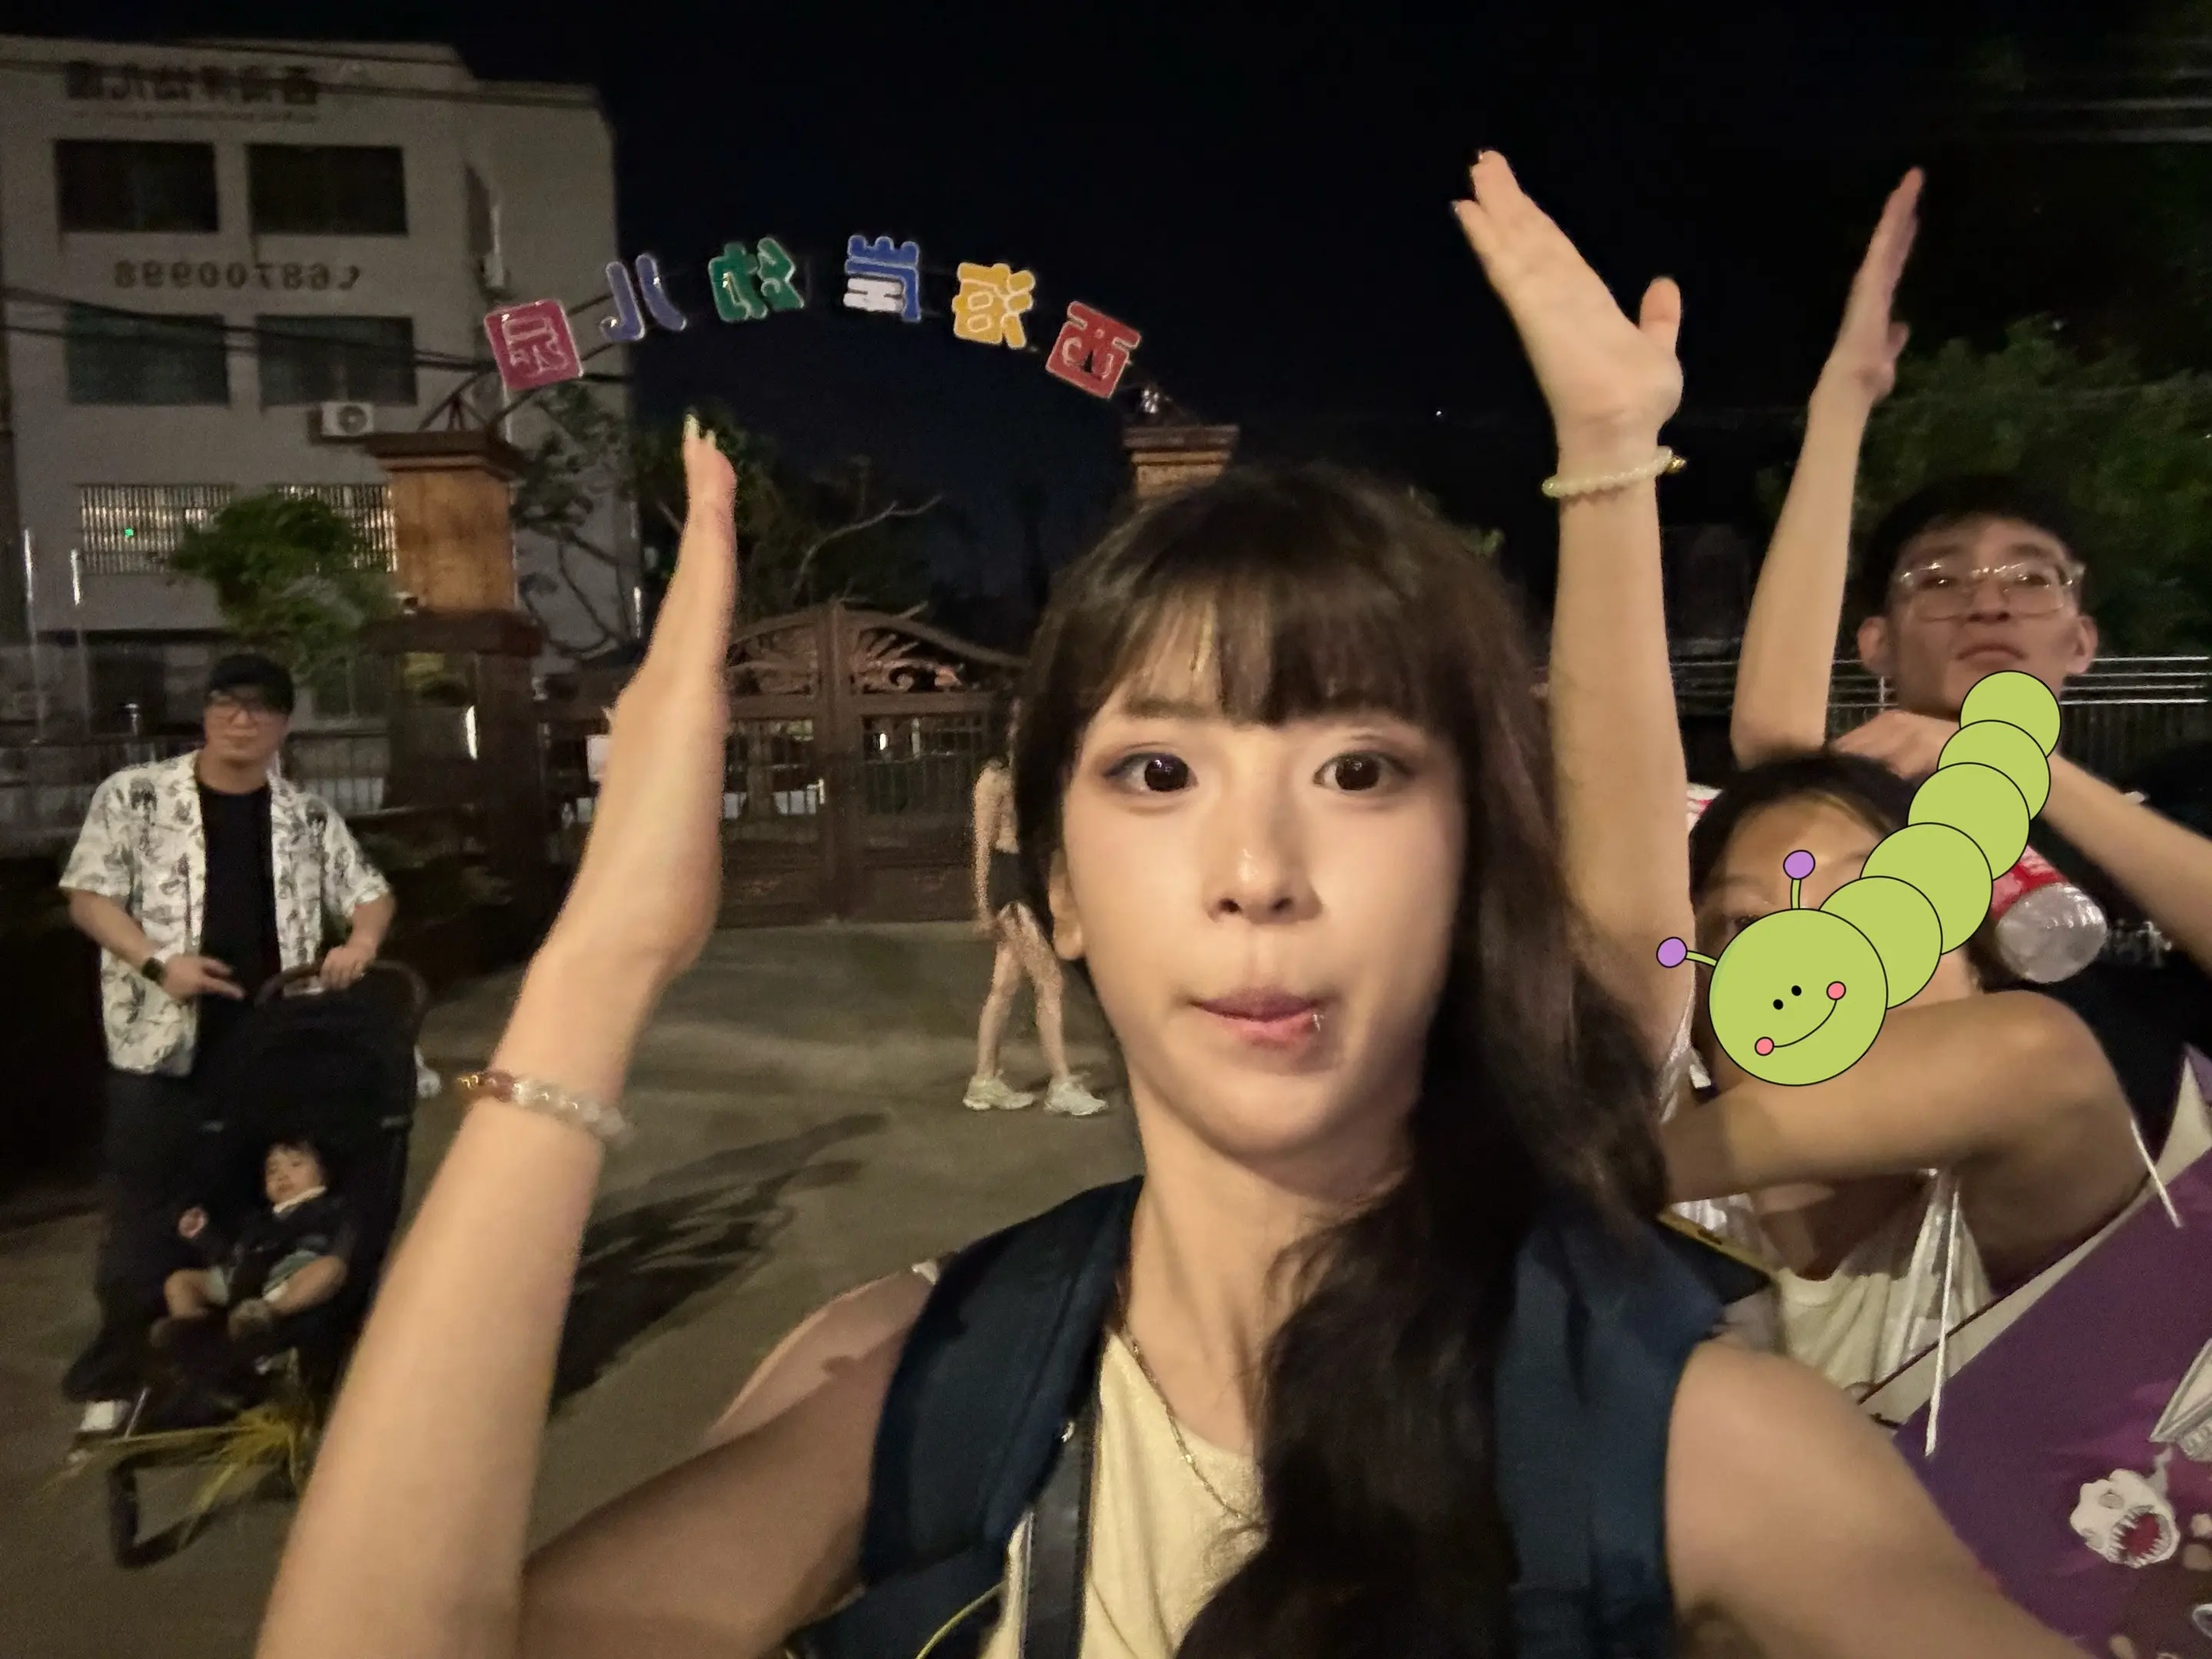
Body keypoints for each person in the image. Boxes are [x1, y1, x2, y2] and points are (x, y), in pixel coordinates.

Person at [257, 161, 2075, 1659]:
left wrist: (1608, 464)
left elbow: (1624, 961)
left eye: (1359, 770)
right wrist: (600, 964)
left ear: (1469, 866)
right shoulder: (920, 1394)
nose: (1256, 870)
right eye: (1155, 772)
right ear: (1053, 885)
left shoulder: (1677, 1430)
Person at [1730, 169, 2212, 1154]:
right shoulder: (1866, 808)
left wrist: (2016, 764)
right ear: (1875, 644)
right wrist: (1842, 404)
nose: (1988, 600)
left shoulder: (2172, 807)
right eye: (1940, 580)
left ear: (2082, 641)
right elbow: (1773, 739)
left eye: (2031, 578)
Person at [1664, 752, 2148, 1396]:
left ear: (1977, 970)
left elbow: (2035, 1063)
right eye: (1746, 925)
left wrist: (1599, 1177)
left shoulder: (2008, 1201)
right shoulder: (1662, 1232)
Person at [57, 652, 394, 1436]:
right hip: (158, 1048)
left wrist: (362, 942)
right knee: (144, 1212)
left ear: (283, 724)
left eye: (260, 707)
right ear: (206, 713)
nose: (242, 719)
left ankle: (243, 1361)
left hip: (270, 1050)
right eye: (226, 703)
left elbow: (370, 892)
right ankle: (121, 1376)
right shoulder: (137, 795)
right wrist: (158, 963)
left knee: (251, 1209)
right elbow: (88, 895)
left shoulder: (306, 816)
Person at [966, 698, 1108, 1117]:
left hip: (1030, 878)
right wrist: (982, 903)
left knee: (1004, 987)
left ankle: (984, 1080)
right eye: (1016, 721)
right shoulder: (994, 780)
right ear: (1004, 727)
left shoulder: (1032, 775)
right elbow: (982, 845)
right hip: (1010, 884)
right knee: (1050, 982)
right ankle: (1061, 1084)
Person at [159, 1138, 353, 1352]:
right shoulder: (258, 1220)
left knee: (331, 1269)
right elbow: (231, 1252)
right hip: (241, 1274)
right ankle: (192, 1326)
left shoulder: (331, 1209)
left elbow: (343, 1244)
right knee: (179, 1282)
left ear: (323, 1173)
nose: (282, 1175)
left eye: (296, 1164)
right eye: (272, 1171)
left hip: (289, 1277)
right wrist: (203, 1235)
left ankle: (269, 1312)